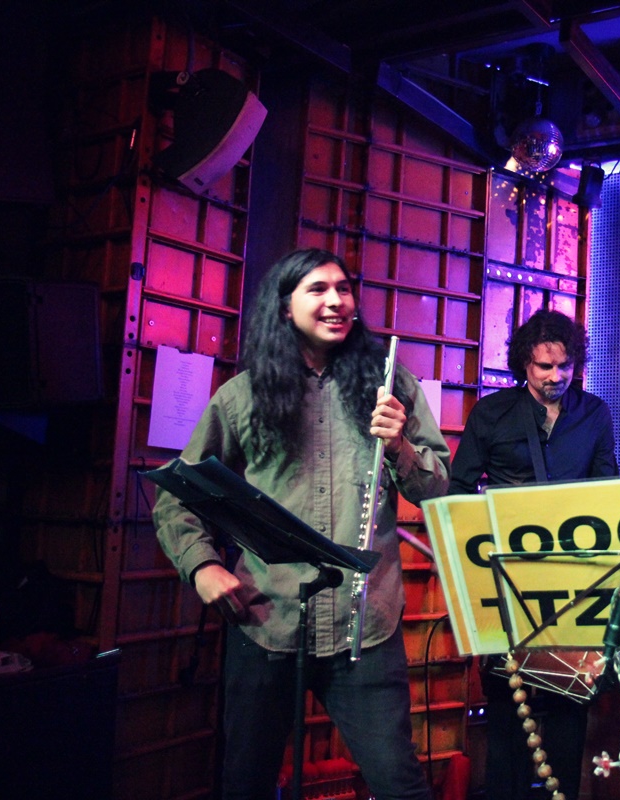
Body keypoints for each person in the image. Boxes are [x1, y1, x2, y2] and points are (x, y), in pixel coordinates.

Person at [153, 248, 451, 800]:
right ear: (285, 307)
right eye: (317, 289)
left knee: (401, 786)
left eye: (344, 288)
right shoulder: (241, 396)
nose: (336, 300)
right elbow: (177, 496)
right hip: (267, 620)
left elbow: (436, 489)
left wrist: (401, 446)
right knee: (245, 785)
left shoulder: (394, 386)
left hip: (365, 627)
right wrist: (202, 568)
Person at [448, 308, 617, 800]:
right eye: (544, 366)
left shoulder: (595, 413)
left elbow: (607, 492)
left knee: (570, 708)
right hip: (507, 580)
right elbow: (459, 491)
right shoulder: (492, 413)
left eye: (564, 366)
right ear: (524, 362)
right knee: (506, 713)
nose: (555, 376)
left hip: (574, 579)